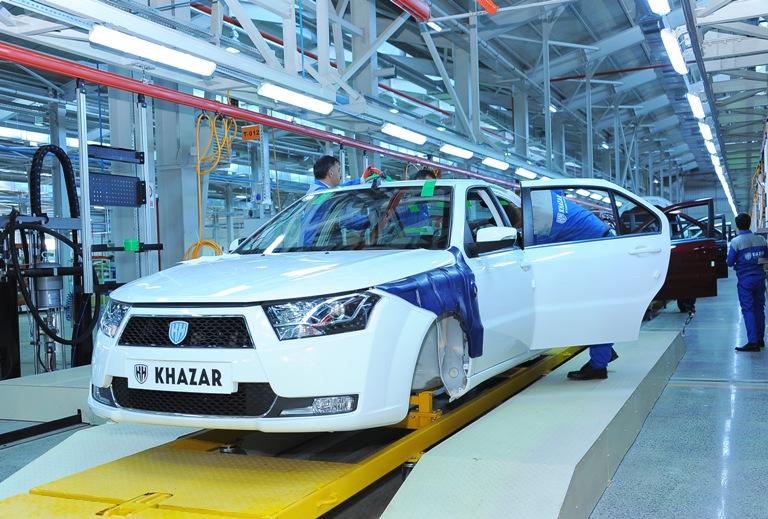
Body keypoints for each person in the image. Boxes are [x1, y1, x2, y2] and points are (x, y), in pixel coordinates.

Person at [527, 190, 618, 380]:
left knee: (594, 311)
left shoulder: (541, 221)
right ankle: (605, 352)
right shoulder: (545, 198)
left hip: (599, 254)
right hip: (599, 247)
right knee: (593, 309)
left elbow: (533, 252)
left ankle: (599, 365)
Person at [727, 212, 768, 352]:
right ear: (749, 223)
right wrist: (755, 263)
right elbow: (766, 259)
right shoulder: (761, 240)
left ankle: (752, 342)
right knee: (759, 308)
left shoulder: (736, 242)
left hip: (745, 281)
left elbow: (729, 262)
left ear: (737, 225)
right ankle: (760, 339)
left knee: (748, 309)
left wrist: (743, 263)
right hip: (760, 279)